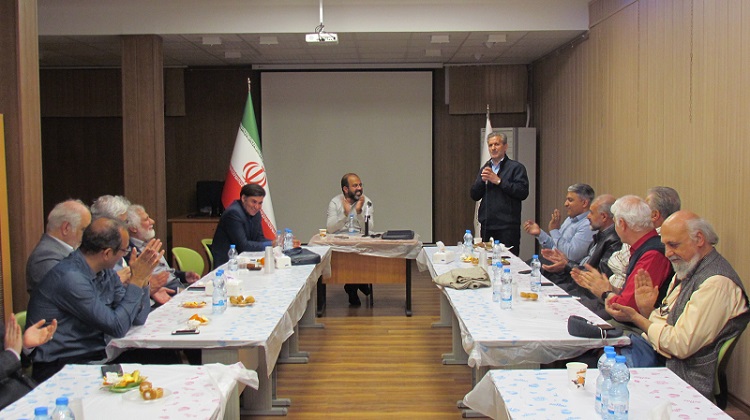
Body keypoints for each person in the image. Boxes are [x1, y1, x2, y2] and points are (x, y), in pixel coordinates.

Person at [606, 211, 749, 400]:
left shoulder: (716, 283)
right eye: (665, 245)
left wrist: (637, 317)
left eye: (673, 245)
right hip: (658, 358)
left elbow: (679, 345)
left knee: (600, 372)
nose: (667, 253)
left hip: (683, 378)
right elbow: (666, 323)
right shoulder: (689, 269)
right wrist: (648, 310)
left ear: (699, 239)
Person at [26, 217, 161, 383]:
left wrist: (143, 279)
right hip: (62, 366)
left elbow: (138, 318)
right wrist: (136, 280)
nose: (124, 256)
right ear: (107, 253)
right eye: (124, 251)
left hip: (94, 357)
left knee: (162, 356)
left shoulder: (105, 271)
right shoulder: (71, 279)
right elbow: (117, 326)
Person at [571, 195, 672, 321]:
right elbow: (628, 296)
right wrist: (605, 287)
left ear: (622, 224)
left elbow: (625, 309)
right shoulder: (643, 248)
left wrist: (604, 292)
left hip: (634, 326)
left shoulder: (652, 254)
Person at [540, 194, 621, 292]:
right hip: (577, 278)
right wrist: (564, 261)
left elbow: (598, 277)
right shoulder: (601, 234)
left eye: (591, 213)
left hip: (586, 290)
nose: (588, 216)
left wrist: (567, 264)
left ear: (604, 217)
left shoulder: (614, 241)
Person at [608, 186, 681, 291]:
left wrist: (605, 292)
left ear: (654, 215)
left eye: (645, 209)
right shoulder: (646, 239)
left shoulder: (652, 247)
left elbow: (618, 264)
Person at [126, 204, 200, 306]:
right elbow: (147, 283)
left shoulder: (149, 243)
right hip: (167, 293)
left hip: (178, 285)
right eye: (146, 219)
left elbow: (164, 271)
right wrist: (177, 290)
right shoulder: (130, 252)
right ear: (133, 228)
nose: (152, 221)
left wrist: (184, 276)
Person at [470, 132, 529, 255]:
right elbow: (474, 195)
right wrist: (481, 182)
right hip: (487, 224)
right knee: (487, 259)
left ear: (505, 146)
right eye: (490, 145)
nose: (493, 148)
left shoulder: (516, 168)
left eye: (497, 144)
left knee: (508, 260)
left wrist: (499, 181)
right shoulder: (485, 168)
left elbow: (522, 192)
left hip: (507, 226)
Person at [327, 173, 374, 306]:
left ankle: (353, 285)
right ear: (345, 189)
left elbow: (369, 228)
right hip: (339, 240)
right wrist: (345, 214)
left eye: (360, 185)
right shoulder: (335, 202)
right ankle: (358, 283)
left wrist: (359, 213)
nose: (359, 188)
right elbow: (330, 228)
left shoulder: (366, 202)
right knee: (348, 255)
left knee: (360, 253)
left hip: (359, 240)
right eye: (355, 185)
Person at [26, 199, 92, 295]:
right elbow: (76, 293)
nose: (87, 236)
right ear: (66, 228)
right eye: (84, 230)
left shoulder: (62, 252)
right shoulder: (45, 257)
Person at [523, 183, 596, 265]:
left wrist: (554, 230)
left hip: (564, 268)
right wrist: (539, 233)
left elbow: (571, 255)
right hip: (551, 260)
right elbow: (556, 247)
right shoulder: (570, 219)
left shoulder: (588, 224)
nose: (565, 204)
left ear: (584, 203)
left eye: (570, 200)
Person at [0, 314, 57, 410]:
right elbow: (10, 356)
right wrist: (12, 354)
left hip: (25, 391)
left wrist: (24, 346)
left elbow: (14, 362)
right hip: (8, 403)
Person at [212, 183, 273, 267]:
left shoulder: (256, 213)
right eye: (254, 202)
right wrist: (271, 244)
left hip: (245, 260)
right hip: (227, 263)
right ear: (244, 199)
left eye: (260, 203)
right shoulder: (233, 213)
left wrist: (277, 243)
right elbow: (243, 246)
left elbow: (259, 238)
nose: (257, 207)